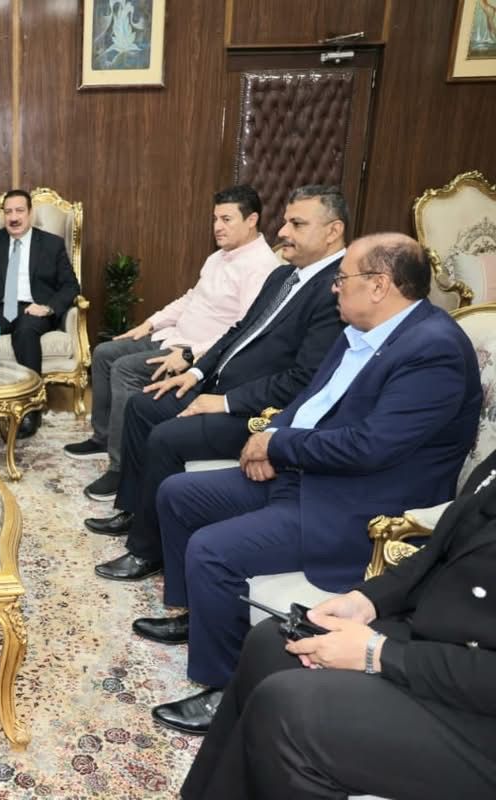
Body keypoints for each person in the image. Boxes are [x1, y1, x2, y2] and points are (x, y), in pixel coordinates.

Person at [139, 233, 481, 735]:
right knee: (178, 494)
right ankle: (201, 615)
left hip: (358, 503)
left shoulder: (435, 351)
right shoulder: (361, 329)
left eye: (342, 279)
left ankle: (225, 690)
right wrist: (271, 436)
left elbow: (370, 447)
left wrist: (278, 447)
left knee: (213, 550)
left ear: (379, 285)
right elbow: (311, 402)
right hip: (310, 472)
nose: (334, 288)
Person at [182, 447, 496, 799]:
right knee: (273, 642)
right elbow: (440, 553)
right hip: (445, 646)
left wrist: (380, 654)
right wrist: (367, 600)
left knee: (291, 712)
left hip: (479, 713)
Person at [89, 185, 348, 581]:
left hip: (258, 411)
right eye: (285, 222)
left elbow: (304, 380)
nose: (283, 233)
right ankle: (136, 511)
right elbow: (239, 330)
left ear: (333, 231)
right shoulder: (285, 275)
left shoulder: (335, 290)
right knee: (144, 406)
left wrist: (224, 402)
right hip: (219, 385)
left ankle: (146, 551)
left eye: (297, 224)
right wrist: (194, 373)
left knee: (166, 437)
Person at [63, 184, 280, 492]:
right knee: (104, 352)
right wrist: (149, 324)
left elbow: (243, 331)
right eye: (215, 219)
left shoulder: (261, 268)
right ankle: (104, 437)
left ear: (252, 220)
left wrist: (192, 354)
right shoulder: (219, 257)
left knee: (125, 369)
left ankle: (121, 467)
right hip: (173, 337)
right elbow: (190, 298)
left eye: (226, 219)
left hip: (195, 355)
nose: (217, 227)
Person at [0, 188, 80, 438]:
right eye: (8, 212)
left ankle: (30, 410)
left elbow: (71, 286)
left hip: (34, 309)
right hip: (0, 308)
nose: (13, 217)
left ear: (30, 213)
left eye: (19, 211)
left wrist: (48, 307)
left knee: (25, 332)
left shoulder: (52, 244)